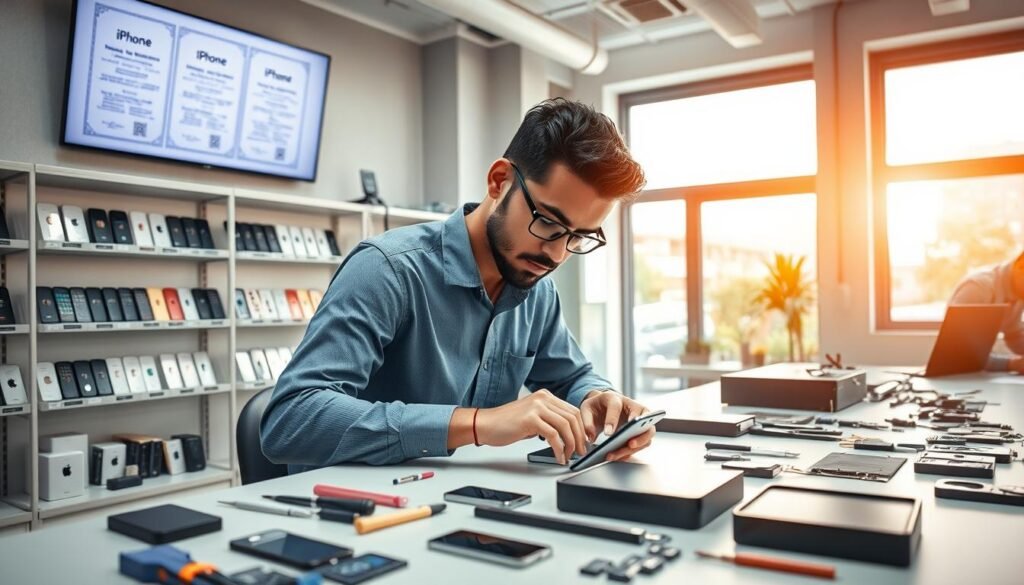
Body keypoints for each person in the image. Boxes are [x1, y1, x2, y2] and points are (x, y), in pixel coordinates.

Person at [261, 98, 652, 472]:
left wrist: (597, 398)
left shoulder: (537, 289)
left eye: (578, 237)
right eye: (548, 222)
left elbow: (570, 376)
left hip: (462, 503)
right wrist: (479, 424)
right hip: (353, 513)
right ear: (499, 181)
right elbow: (291, 419)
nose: (556, 254)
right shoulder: (387, 270)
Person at [947, 251, 1024, 373]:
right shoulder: (978, 287)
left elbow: (1014, 335)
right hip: (953, 376)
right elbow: (957, 352)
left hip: (978, 376)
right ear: (1020, 265)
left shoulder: (1018, 293)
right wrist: (1011, 364)